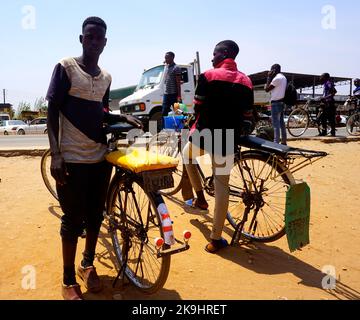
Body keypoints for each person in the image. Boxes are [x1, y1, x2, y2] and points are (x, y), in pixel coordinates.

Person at [46, 17, 142, 300]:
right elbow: (53, 111)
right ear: (81, 39)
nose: (95, 42)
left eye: (99, 38)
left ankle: (87, 264)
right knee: (72, 220)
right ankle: (67, 279)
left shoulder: (106, 77)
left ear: (105, 42)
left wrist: (119, 114)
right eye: (90, 37)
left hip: (99, 159)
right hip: (72, 159)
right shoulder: (65, 67)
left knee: (96, 215)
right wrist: (56, 154)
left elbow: (99, 110)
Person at [182, 40, 254, 254]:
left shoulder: (207, 76)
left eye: (214, 54)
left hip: (204, 135)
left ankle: (200, 197)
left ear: (224, 54)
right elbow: (248, 115)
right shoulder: (246, 81)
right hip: (228, 139)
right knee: (222, 184)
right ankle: (215, 239)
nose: (212, 58)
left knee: (187, 156)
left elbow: (198, 106)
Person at [264, 64, 288, 145]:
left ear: (274, 69)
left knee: (275, 125)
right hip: (281, 102)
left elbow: (267, 89)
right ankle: (284, 141)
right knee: (281, 124)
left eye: (271, 70)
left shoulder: (277, 78)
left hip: (275, 103)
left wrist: (269, 77)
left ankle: (276, 143)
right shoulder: (283, 77)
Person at [161, 52, 182, 128]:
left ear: (172, 58)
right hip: (167, 95)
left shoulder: (176, 68)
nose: (165, 59)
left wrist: (179, 95)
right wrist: (165, 63)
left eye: (167, 58)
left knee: (178, 113)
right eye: (165, 58)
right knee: (164, 113)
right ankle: (163, 130)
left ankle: (180, 129)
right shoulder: (167, 68)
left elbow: (178, 83)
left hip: (174, 95)